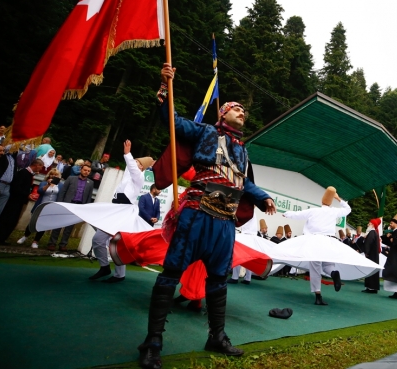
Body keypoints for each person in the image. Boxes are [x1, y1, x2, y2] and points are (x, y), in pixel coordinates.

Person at [137, 63, 276, 369]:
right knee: (171, 273)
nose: (242, 112)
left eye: (243, 110)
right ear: (222, 113)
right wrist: (165, 86)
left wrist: (261, 195)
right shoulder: (203, 131)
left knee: (219, 278)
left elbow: (243, 180)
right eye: (236, 108)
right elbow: (171, 121)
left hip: (225, 222)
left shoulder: (243, 149)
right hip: (198, 212)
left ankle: (217, 335)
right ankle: (152, 342)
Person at [90, 140, 152, 283]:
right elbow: (130, 168)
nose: (134, 163)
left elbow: (133, 168)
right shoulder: (128, 175)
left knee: (102, 240)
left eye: (137, 162)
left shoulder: (139, 177)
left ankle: (111, 270)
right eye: (134, 161)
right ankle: (116, 273)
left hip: (123, 211)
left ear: (141, 167)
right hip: (116, 208)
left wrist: (128, 154)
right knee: (112, 242)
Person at [283, 186, 350, 305]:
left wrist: (286, 214)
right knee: (328, 265)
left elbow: (297, 215)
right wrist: (338, 199)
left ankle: (318, 296)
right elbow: (348, 209)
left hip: (315, 241)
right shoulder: (334, 211)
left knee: (315, 269)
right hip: (328, 241)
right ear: (330, 202)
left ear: (322, 200)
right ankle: (334, 273)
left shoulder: (314, 211)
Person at [0, 158, 44, 244]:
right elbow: (16, 187)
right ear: (37, 165)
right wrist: (26, 195)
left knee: (12, 220)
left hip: (20, 201)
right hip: (14, 201)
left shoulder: (29, 174)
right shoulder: (23, 173)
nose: (41, 169)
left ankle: (2, 238)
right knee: (6, 218)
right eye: (41, 166)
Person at [46, 163, 94, 251]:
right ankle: (52, 243)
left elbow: (89, 197)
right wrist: (60, 204)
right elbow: (63, 191)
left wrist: (85, 209)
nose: (86, 172)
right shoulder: (71, 178)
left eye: (88, 171)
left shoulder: (90, 183)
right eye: (85, 170)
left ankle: (63, 244)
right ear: (81, 170)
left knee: (69, 227)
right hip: (67, 204)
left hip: (78, 207)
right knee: (58, 224)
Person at [17, 169, 63, 248]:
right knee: (33, 222)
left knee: (43, 225)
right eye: (52, 174)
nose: (54, 176)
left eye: (56, 175)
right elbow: (40, 191)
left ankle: (35, 241)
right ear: (49, 175)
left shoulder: (61, 185)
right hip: (40, 206)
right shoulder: (44, 183)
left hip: (51, 208)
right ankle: (25, 236)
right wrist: (48, 184)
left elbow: (61, 196)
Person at [362, 218, 381, 294]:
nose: (368, 224)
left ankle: (371, 287)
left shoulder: (372, 233)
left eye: (369, 223)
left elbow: (368, 244)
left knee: (370, 271)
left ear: (372, 225)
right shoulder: (374, 233)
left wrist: (366, 252)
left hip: (371, 256)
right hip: (373, 255)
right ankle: (372, 287)